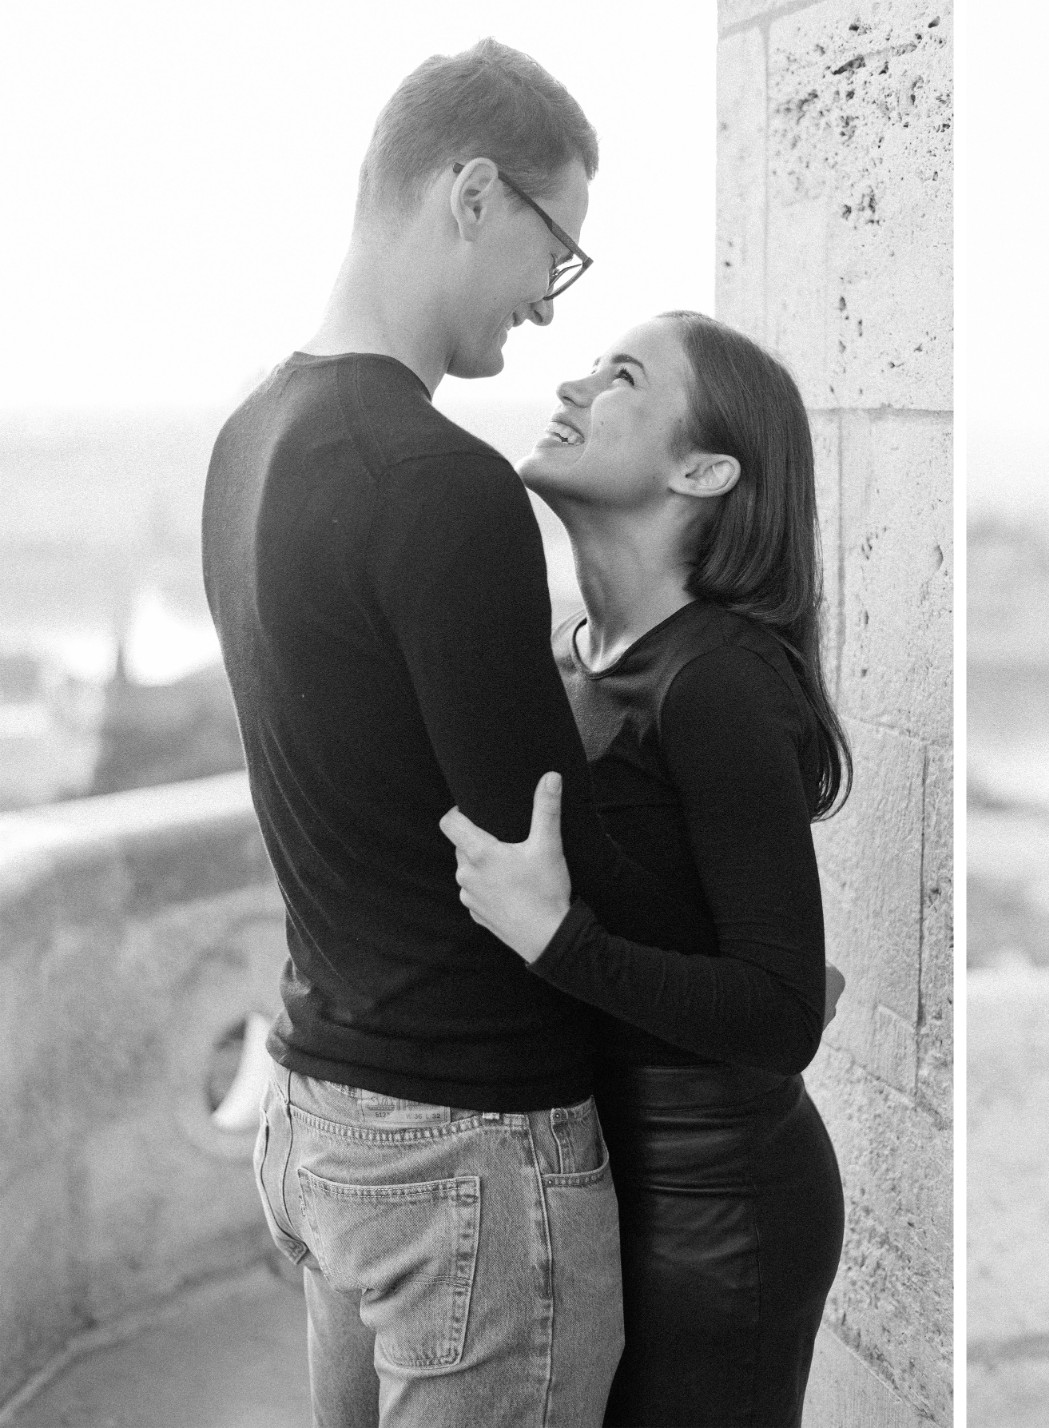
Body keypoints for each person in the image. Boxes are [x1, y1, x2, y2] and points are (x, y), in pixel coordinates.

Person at [204, 39, 659, 1426]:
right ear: (474, 193)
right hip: (466, 1138)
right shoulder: (438, 483)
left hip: (320, 1115)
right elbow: (542, 844)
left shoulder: (246, 440)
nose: (548, 301)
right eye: (558, 251)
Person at [441, 312, 850, 1428]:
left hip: (716, 1208)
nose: (572, 384)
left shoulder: (715, 679)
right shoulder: (581, 660)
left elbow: (782, 1011)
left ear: (704, 468)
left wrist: (556, 940)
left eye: (621, 375)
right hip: (594, 1172)